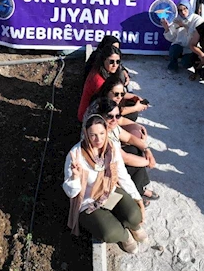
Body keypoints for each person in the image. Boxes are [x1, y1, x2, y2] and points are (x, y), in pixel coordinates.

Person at [63, 114, 146, 253]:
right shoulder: (76, 155)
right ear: (86, 134)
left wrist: (138, 199)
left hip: (109, 191)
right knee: (110, 232)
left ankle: (134, 227)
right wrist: (75, 178)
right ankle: (125, 236)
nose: (99, 139)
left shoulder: (111, 148)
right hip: (88, 202)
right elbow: (71, 193)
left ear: (106, 131)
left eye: (102, 133)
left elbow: (122, 175)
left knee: (134, 215)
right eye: (93, 135)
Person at [89, 97, 159, 207]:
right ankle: (136, 195)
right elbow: (125, 158)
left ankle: (139, 189)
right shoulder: (102, 136)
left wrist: (147, 150)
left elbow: (129, 137)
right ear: (101, 116)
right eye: (110, 116)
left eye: (117, 116)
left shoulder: (112, 127)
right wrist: (148, 161)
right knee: (137, 165)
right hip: (104, 173)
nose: (115, 120)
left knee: (136, 150)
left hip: (114, 162)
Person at [78, 46, 122, 122]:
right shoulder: (98, 81)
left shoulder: (103, 71)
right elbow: (109, 107)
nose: (115, 65)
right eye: (111, 62)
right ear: (103, 60)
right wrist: (134, 108)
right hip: (89, 117)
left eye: (118, 62)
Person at [162, 0, 203, 73]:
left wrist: (184, 26)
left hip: (192, 49)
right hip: (180, 46)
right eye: (180, 10)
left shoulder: (198, 20)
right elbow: (172, 38)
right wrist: (167, 29)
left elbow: (198, 35)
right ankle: (173, 66)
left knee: (185, 63)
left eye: (185, 9)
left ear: (189, 8)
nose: (183, 12)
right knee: (174, 49)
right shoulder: (177, 19)